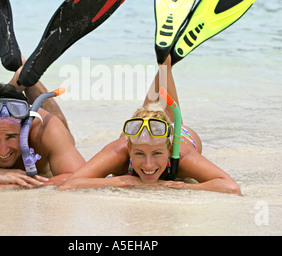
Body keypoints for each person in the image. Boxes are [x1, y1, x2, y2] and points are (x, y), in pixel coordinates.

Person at [60, 55, 241, 194]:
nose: (148, 165)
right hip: (147, 132)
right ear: (129, 149)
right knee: (153, 106)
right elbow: (70, 185)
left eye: (157, 154)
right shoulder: (119, 151)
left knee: (164, 109)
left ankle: (165, 63)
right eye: (139, 153)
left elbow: (231, 187)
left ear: (170, 151)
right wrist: (127, 181)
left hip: (183, 135)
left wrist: (178, 187)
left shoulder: (182, 155)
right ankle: (165, 62)